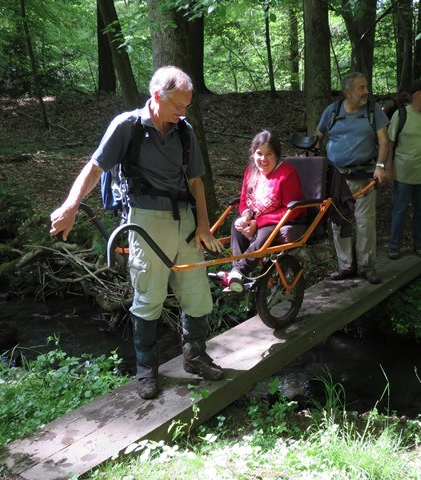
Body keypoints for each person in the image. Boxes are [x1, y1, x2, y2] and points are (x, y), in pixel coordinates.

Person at [49, 66, 224, 400]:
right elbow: (95, 167)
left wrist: (203, 225)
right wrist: (71, 205)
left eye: (187, 106)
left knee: (198, 293)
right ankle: (146, 370)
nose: (184, 112)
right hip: (143, 221)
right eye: (179, 106)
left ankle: (195, 356)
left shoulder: (184, 131)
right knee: (149, 297)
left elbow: (195, 181)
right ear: (157, 96)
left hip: (184, 220)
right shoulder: (126, 127)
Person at [315, 72, 390, 285]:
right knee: (340, 222)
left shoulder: (374, 111)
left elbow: (384, 141)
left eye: (366, 87)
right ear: (348, 92)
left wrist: (381, 166)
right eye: (361, 88)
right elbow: (317, 137)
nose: (366, 91)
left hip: (364, 176)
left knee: (365, 223)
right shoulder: (332, 111)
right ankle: (346, 266)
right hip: (336, 178)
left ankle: (366, 267)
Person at [215, 130, 307, 292]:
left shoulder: (287, 174)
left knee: (265, 234)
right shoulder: (251, 171)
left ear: (277, 155)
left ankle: (239, 272)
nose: (263, 159)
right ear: (253, 153)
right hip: (257, 217)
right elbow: (243, 200)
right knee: (237, 226)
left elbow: (293, 210)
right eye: (259, 153)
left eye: (269, 154)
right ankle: (237, 272)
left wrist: (258, 223)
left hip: (284, 220)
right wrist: (246, 215)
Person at [386, 79, 421, 260]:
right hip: (402, 171)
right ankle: (394, 246)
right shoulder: (400, 115)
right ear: (418, 95)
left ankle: (420, 243)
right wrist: (388, 168)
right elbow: (390, 144)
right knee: (400, 209)